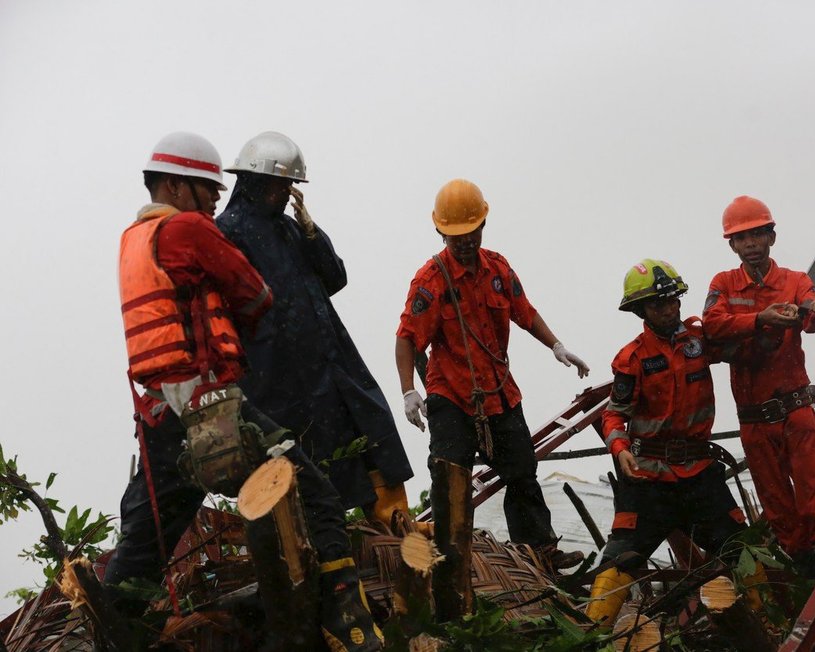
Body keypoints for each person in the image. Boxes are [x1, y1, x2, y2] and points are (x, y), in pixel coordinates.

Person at [106, 132, 382, 650]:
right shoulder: (188, 229)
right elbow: (255, 294)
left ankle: (114, 629)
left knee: (145, 541)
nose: (215, 199)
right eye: (206, 188)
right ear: (173, 185)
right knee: (316, 492)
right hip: (216, 408)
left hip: (161, 415)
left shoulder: (131, 241)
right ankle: (350, 620)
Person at [217, 131, 414, 524]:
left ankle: (395, 526)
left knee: (370, 424)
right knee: (312, 460)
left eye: (290, 184)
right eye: (280, 183)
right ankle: (335, 544)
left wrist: (311, 231)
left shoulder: (291, 229)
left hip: (332, 358)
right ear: (255, 181)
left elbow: (336, 277)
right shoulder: (227, 233)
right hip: (281, 375)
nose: (286, 191)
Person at [394, 178, 589, 571]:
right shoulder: (430, 281)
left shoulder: (498, 269)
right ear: (440, 232)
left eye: (471, 232)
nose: (465, 241)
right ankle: (451, 562)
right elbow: (407, 337)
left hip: (500, 393)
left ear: (484, 224)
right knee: (451, 481)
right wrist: (408, 392)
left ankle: (539, 553)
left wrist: (556, 345)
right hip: (450, 395)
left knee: (522, 472)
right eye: (455, 236)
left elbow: (525, 311)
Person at [587, 259, 747, 626]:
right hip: (649, 480)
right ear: (641, 310)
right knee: (621, 558)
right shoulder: (631, 359)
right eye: (658, 304)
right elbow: (613, 414)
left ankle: (773, 622)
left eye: (673, 300)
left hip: (700, 472)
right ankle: (590, 636)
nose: (668, 308)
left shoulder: (700, 340)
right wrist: (620, 449)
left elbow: (739, 345)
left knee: (742, 547)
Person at [702, 195, 815, 572]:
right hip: (753, 421)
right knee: (779, 509)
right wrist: (760, 320)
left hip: (795, 412)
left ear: (771, 238)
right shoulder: (723, 283)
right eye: (742, 238)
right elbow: (711, 325)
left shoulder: (795, 282)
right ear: (732, 245)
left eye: (756, 235)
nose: (750, 244)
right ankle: (809, 586)